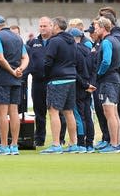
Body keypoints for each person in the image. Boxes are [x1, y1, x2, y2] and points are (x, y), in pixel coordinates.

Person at [39, 17, 81, 154]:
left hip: (57, 80)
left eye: (51, 25)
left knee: (53, 111)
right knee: (69, 111)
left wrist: (46, 75)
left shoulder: (54, 41)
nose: (50, 28)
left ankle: (56, 144)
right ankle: (73, 143)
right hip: (71, 78)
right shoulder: (72, 41)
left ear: (56, 26)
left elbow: (47, 61)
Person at [0, 15, 29, 155]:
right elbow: (25, 57)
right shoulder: (17, 37)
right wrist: (20, 69)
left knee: (2, 114)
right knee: (14, 113)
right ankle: (14, 145)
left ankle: (4, 146)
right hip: (16, 80)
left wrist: (12, 71)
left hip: (1, 79)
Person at [93, 17, 120, 153]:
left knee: (109, 112)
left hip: (107, 80)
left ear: (103, 28)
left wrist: (99, 74)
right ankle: (116, 143)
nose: (95, 30)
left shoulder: (106, 42)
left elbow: (106, 61)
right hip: (114, 78)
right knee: (114, 113)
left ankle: (114, 144)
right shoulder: (115, 41)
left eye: (97, 28)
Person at [25, 16, 53, 147]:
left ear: (51, 26)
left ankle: (60, 138)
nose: (42, 28)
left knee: (57, 111)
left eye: (45, 26)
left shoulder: (56, 41)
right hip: (37, 82)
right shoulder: (32, 42)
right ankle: (39, 138)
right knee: (39, 111)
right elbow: (27, 60)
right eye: (41, 26)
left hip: (53, 81)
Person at [69, 28, 96, 153]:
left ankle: (81, 143)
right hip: (88, 86)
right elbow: (93, 69)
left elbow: (74, 71)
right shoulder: (89, 50)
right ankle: (89, 143)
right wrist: (90, 85)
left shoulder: (74, 51)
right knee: (88, 115)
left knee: (79, 116)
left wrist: (84, 85)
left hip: (79, 87)